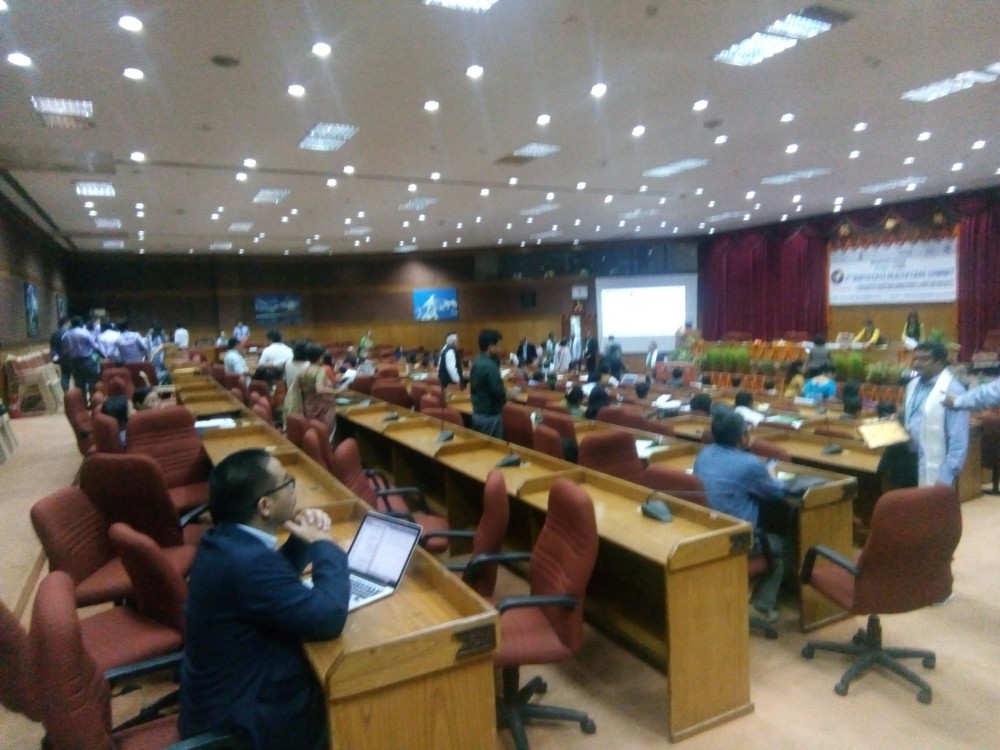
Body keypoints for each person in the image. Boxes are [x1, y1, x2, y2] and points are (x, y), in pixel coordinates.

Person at [179, 448, 349, 749]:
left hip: (222, 694)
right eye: (287, 482)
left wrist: (300, 539)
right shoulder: (247, 562)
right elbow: (329, 617)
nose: (294, 487)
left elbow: (266, 585)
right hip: (244, 720)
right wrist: (325, 546)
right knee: (349, 688)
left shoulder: (223, 540)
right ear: (265, 506)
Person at [693, 410, 788, 623]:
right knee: (782, 546)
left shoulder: (704, 453)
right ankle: (760, 608)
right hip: (737, 539)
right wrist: (771, 473)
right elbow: (778, 492)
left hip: (707, 533)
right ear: (741, 438)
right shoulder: (750, 464)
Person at [904, 342, 969, 487]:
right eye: (915, 359)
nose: (917, 364)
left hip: (938, 468)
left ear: (940, 361)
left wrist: (948, 475)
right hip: (910, 461)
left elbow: (958, 439)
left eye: (924, 359)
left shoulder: (953, 391)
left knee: (935, 509)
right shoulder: (912, 385)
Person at [469, 329, 505, 438]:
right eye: (498, 346)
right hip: (490, 417)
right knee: (494, 450)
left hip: (477, 413)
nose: (500, 349)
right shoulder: (490, 366)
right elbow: (497, 392)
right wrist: (509, 394)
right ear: (491, 347)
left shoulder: (477, 361)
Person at [297, 345, 338, 438]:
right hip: (320, 406)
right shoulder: (319, 371)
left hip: (308, 403)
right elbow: (319, 389)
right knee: (325, 431)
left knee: (313, 428)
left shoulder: (303, 369)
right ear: (320, 357)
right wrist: (336, 391)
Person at [61, 315, 100, 400]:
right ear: (81, 323)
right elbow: (95, 347)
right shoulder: (85, 332)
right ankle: (93, 402)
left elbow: (65, 351)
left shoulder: (66, 335)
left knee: (79, 385)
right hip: (87, 360)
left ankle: (83, 404)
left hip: (75, 362)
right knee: (92, 382)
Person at [49, 316, 70, 391]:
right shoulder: (69, 332)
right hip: (68, 357)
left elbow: (52, 348)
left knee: (64, 375)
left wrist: (55, 357)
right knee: (68, 376)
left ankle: (64, 391)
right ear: (66, 322)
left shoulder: (54, 334)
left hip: (59, 358)